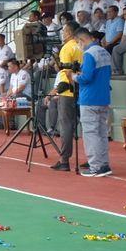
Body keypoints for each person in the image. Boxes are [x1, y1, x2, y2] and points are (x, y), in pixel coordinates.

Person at [75, 28, 113, 178]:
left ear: (82, 40)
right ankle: (104, 164)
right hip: (103, 97)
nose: (79, 45)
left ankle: (95, 166)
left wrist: (74, 77)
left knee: (91, 133)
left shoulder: (89, 54)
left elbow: (86, 77)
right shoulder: (104, 52)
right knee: (102, 133)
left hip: (89, 98)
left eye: (78, 42)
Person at [46, 22, 82, 171]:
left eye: (65, 31)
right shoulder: (81, 46)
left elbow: (66, 72)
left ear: (70, 32)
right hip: (81, 88)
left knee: (66, 125)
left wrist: (65, 88)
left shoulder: (67, 48)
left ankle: (64, 159)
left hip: (67, 91)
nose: (62, 34)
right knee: (82, 124)